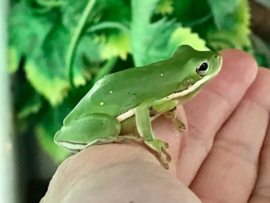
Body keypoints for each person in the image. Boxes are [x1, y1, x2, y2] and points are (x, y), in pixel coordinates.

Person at [40, 49, 270, 203]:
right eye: (202, 68)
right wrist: (149, 138)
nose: (212, 63)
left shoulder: (170, 94)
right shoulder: (165, 96)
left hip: (104, 96)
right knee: (111, 127)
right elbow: (143, 108)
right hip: (99, 116)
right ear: (187, 81)